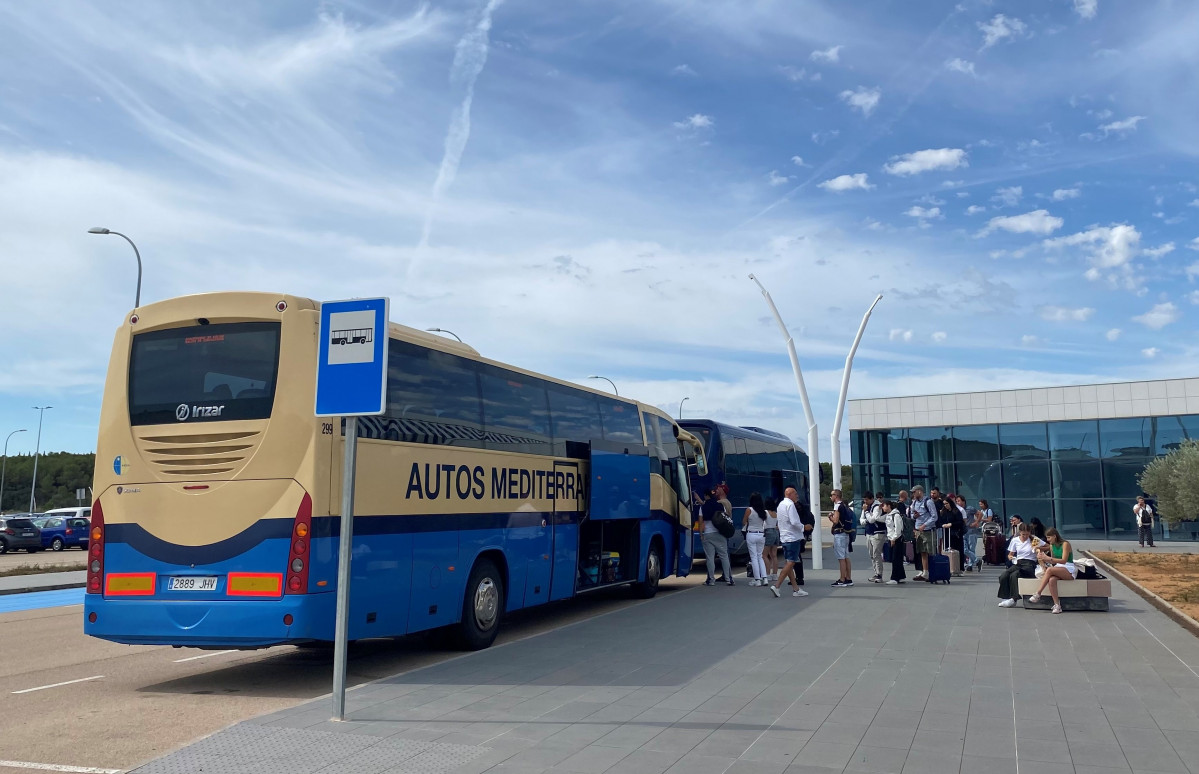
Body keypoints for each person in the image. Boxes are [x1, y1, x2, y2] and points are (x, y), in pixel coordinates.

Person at [770, 488, 810, 598]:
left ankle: (796, 589)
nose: (797, 496)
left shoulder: (780, 505)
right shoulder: (790, 505)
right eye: (795, 494)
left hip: (784, 537)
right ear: (790, 494)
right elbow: (794, 521)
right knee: (791, 562)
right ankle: (777, 585)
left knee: (789, 562)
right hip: (793, 538)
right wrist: (804, 527)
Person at [1028, 528, 1076, 614]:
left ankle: (1038, 593)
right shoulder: (1051, 545)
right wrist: (1043, 558)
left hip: (1068, 568)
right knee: (1051, 580)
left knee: (1050, 570)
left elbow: (1064, 560)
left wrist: (1048, 558)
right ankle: (1057, 605)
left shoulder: (1065, 544)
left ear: (1054, 536)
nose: (1047, 540)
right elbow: (1052, 561)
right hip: (1058, 567)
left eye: (1049, 537)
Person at [698, 489, 733, 586]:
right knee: (724, 556)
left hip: (708, 534)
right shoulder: (720, 505)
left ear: (705, 495)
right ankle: (728, 579)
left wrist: (701, 534)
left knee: (710, 558)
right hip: (720, 534)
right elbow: (726, 517)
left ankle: (711, 580)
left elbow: (701, 522)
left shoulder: (703, 507)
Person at [997, 523, 1038, 607]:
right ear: (1020, 532)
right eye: (1023, 534)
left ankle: (1014, 598)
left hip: (1030, 563)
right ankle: (1005, 597)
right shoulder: (1015, 540)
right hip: (1018, 562)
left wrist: (1039, 549)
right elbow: (1010, 554)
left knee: (1015, 575)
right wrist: (1011, 557)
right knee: (1004, 575)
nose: (1025, 536)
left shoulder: (1034, 540)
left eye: (1027, 534)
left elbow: (1048, 546)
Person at [910, 485, 939, 581]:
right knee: (922, 552)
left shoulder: (928, 502)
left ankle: (933, 572)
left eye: (914, 492)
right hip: (919, 530)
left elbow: (934, 516)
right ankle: (925, 572)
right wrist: (915, 516)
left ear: (919, 491)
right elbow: (911, 514)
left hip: (928, 530)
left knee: (930, 551)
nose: (913, 494)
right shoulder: (914, 502)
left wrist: (925, 525)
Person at [829, 488, 854, 587]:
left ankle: (842, 579)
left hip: (839, 534)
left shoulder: (837, 506)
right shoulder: (844, 505)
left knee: (841, 558)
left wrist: (830, 517)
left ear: (836, 496)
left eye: (832, 495)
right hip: (846, 533)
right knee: (846, 556)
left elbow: (835, 521)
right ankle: (848, 578)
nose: (830, 497)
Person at [743, 493, 768, 587]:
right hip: (761, 534)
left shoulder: (749, 510)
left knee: (753, 557)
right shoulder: (763, 512)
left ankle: (757, 579)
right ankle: (765, 578)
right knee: (760, 557)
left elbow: (744, 522)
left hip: (751, 534)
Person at [860, 491, 886, 583]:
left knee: (876, 554)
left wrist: (866, 512)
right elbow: (862, 519)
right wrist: (866, 518)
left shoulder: (876, 506)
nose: (865, 502)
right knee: (872, 554)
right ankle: (876, 573)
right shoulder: (866, 506)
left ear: (871, 499)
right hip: (869, 533)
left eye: (867, 500)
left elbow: (872, 520)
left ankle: (879, 575)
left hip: (877, 533)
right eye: (864, 500)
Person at [884, 500, 906, 585]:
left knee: (895, 559)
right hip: (892, 538)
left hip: (897, 539)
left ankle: (894, 577)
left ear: (889, 506)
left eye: (884, 505)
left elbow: (898, 529)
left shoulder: (896, 515)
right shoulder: (888, 515)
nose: (883, 507)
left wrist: (893, 538)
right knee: (897, 558)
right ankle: (901, 576)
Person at [763, 496, 781, 581]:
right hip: (775, 532)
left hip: (768, 532)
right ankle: (775, 574)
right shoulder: (775, 513)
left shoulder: (765, 512)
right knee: (774, 555)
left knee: (764, 555)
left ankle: (767, 574)